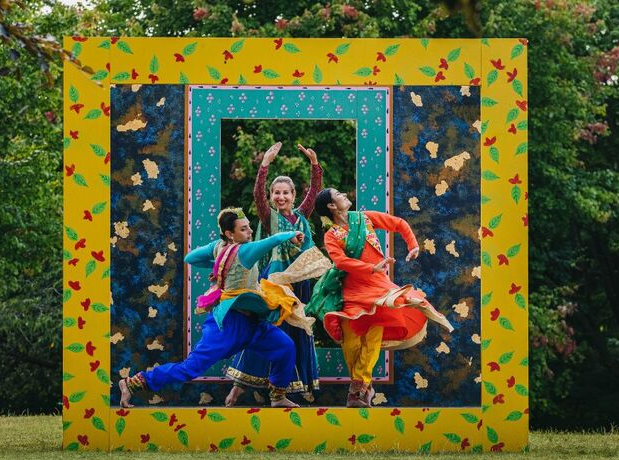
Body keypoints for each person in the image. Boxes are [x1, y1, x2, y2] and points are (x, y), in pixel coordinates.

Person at [118, 207, 310, 408]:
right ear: (230, 234)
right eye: (243, 229)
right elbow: (271, 241)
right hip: (228, 324)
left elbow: (190, 258)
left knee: (285, 347)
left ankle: (278, 396)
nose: (250, 232)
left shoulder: (219, 246)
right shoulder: (245, 250)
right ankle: (132, 384)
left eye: (249, 227)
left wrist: (218, 263)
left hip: (252, 322)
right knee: (190, 368)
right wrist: (292, 234)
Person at [308, 188, 454, 408]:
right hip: (353, 290)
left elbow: (398, 223)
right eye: (339, 194)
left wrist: (413, 245)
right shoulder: (331, 236)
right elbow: (341, 262)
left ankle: (358, 387)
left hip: (378, 289)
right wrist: (371, 267)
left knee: (372, 337)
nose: (345, 195)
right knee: (352, 342)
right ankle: (363, 385)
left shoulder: (364, 218)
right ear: (331, 206)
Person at [224, 142, 322, 406]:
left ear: (293, 195)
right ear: (271, 197)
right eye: (276, 193)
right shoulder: (269, 217)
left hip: (297, 283)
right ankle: (238, 388)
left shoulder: (302, 216)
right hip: (275, 283)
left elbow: (314, 192)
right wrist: (265, 164)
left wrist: (314, 165)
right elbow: (257, 194)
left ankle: (282, 392)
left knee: (294, 335)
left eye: (286, 193)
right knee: (264, 331)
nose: (281, 197)